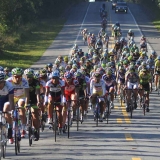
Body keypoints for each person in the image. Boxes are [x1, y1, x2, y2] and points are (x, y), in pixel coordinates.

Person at [6, 67, 30, 138]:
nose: (18, 78)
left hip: (21, 97)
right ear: (12, 76)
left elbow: (27, 94)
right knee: (8, 110)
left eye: (19, 76)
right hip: (11, 98)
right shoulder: (8, 81)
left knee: (21, 106)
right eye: (16, 77)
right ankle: (10, 126)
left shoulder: (25, 81)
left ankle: (23, 128)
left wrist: (26, 104)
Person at [24, 68, 41, 141]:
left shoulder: (36, 82)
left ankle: (35, 130)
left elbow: (37, 93)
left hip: (33, 99)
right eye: (27, 76)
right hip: (24, 99)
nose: (29, 78)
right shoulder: (23, 82)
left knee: (34, 113)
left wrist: (38, 101)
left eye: (30, 76)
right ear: (25, 76)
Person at [0, 71, 14, 144]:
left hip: (6, 100)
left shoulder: (9, 86)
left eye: (0, 83)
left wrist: (11, 111)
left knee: (6, 107)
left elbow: (11, 100)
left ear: (4, 81)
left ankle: (10, 128)